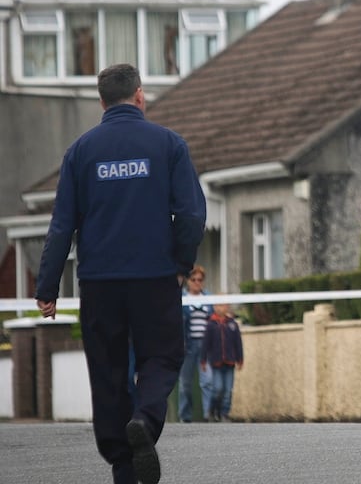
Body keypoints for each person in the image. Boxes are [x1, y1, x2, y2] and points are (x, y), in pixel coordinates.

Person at [34, 63, 206, 484]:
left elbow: (61, 226)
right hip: (154, 277)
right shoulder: (168, 145)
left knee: (108, 371)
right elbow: (191, 213)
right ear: (140, 96)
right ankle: (145, 421)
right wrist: (181, 265)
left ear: (102, 101)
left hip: (99, 282)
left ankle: (122, 467)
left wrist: (47, 286)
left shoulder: (80, 152)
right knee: (162, 355)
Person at [179, 265, 213, 422]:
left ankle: (208, 414)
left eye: (200, 280)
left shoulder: (208, 298)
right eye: (194, 279)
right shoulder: (182, 298)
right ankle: (185, 417)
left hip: (206, 346)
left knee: (207, 381)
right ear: (188, 281)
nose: (197, 282)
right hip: (189, 346)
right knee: (185, 385)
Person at [201, 301, 244, 422]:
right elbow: (205, 344)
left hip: (230, 362)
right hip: (216, 363)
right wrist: (203, 360)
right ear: (214, 307)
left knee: (228, 390)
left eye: (224, 304)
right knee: (217, 389)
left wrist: (240, 359)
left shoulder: (232, 324)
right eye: (219, 304)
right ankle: (212, 410)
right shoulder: (210, 324)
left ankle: (224, 413)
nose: (222, 307)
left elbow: (238, 343)